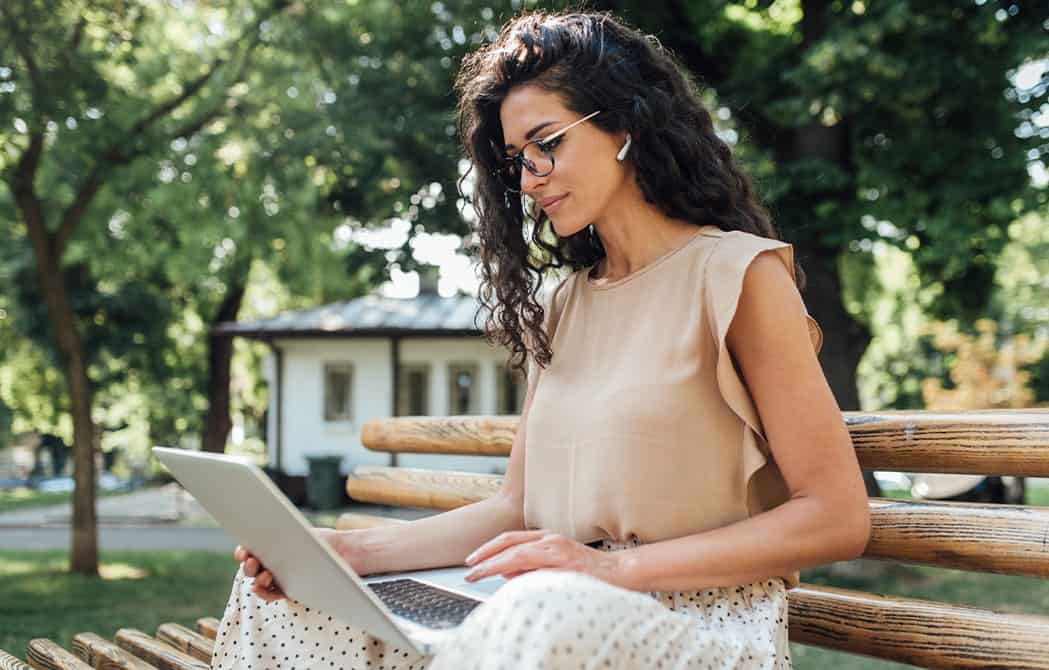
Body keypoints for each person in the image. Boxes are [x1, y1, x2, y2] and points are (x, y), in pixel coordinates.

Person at [211, 9, 870, 669]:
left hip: (700, 625)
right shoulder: (563, 304)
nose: (528, 179)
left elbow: (835, 515)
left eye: (546, 143)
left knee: (545, 605)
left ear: (625, 124)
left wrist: (607, 572)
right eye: (516, 161)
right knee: (290, 596)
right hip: (555, 607)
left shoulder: (737, 275)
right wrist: (349, 554)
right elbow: (516, 508)